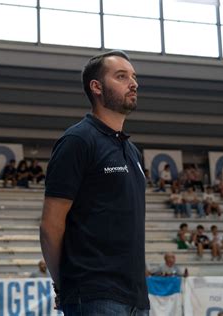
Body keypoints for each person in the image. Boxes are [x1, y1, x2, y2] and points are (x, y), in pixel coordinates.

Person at [40, 50, 149, 315]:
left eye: (133, 76)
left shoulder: (132, 151)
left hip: (135, 297)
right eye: (121, 76)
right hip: (94, 296)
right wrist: (62, 284)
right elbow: (51, 225)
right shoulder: (78, 141)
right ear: (96, 87)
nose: (133, 83)